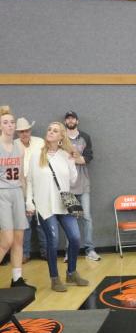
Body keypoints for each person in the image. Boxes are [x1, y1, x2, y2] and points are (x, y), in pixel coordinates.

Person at [26, 122, 89, 292]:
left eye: (55, 131)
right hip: (45, 206)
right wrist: (29, 202)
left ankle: (71, 273)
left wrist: (73, 159)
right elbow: (30, 180)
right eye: (49, 130)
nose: (51, 132)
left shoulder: (65, 155)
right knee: (52, 242)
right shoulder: (35, 155)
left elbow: (73, 180)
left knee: (75, 238)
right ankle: (55, 279)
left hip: (65, 204)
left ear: (61, 136)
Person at [0, 106, 35, 289]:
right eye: (5, 122)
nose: (10, 125)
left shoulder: (19, 147)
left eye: (12, 122)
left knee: (19, 239)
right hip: (2, 193)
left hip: (17, 193)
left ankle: (17, 279)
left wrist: (27, 200)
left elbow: (22, 176)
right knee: (6, 240)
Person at [63, 111, 100, 261]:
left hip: (83, 184)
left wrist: (73, 158)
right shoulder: (61, 138)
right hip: (67, 186)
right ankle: (69, 252)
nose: (70, 120)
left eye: (73, 118)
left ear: (77, 121)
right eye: (68, 118)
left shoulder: (85, 137)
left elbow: (87, 159)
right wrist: (77, 157)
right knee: (70, 219)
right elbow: (60, 160)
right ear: (65, 121)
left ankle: (90, 250)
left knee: (87, 217)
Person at [14, 117, 47, 263]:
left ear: (30, 130)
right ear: (17, 133)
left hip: (39, 184)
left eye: (26, 130)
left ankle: (46, 252)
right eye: (21, 132)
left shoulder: (40, 142)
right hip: (21, 186)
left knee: (41, 221)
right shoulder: (13, 145)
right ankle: (25, 253)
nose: (24, 133)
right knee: (25, 223)